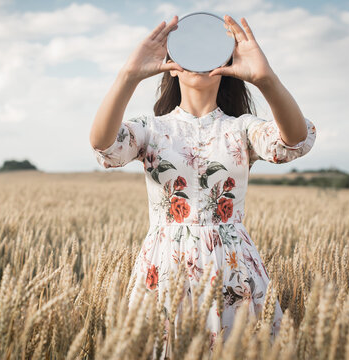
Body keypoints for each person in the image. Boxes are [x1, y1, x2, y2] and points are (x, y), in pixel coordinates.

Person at [88, 14, 316, 358]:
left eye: (209, 51)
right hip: (164, 265)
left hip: (233, 268)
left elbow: (295, 140)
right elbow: (104, 146)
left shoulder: (242, 129)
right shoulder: (150, 129)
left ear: (225, 65)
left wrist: (266, 79)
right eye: (186, 51)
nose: (197, 58)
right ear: (171, 66)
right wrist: (128, 75)